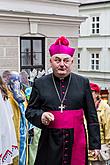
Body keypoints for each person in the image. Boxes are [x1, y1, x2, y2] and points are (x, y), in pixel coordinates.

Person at [25, 36, 101, 165]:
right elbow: (30, 111)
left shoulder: (82, 82)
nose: (62, 64)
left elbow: (91, 115)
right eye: (57, 60)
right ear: (51, 61)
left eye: (66, 60)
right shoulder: (40, 83)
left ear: (72, 61)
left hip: (77, 139)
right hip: (49, 142)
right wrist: (41, 116)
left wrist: (95, 144)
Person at [88, 82, 110, 165]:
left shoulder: (105, 108)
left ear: (97, 94)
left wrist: (107, 148)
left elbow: (108, 129)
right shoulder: (84, 107)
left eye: (91, 91)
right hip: (85, 151)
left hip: (99, 151)